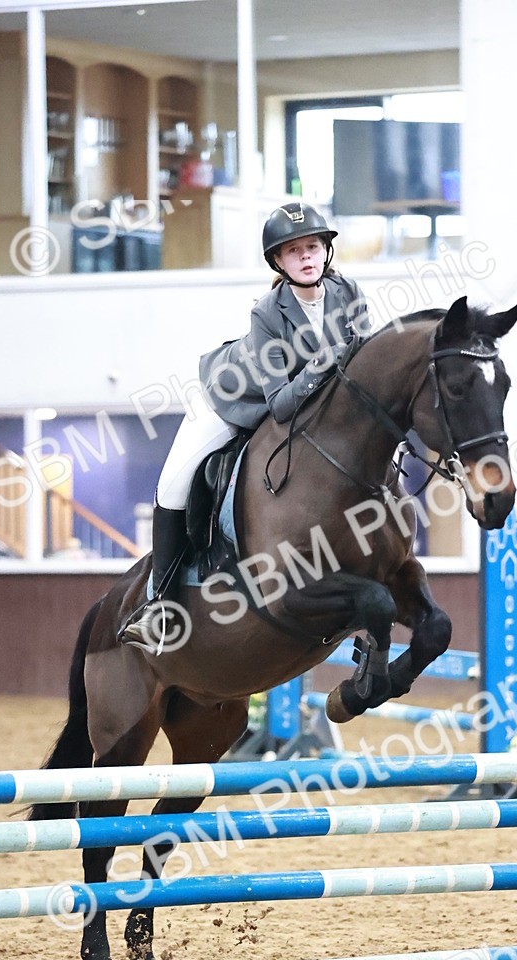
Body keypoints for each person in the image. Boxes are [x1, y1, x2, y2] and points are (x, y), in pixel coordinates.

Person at [121, 201, 372, 649]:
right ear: (278, 261)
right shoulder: (267, 313)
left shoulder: (348, 293)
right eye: (294, 251)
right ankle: (159, 605)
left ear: (326, 252)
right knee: (174, 484)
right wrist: (325, 361)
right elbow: (280, 403)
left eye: (313, 246)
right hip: (232, 397)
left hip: (307, 407)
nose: (307, 257)